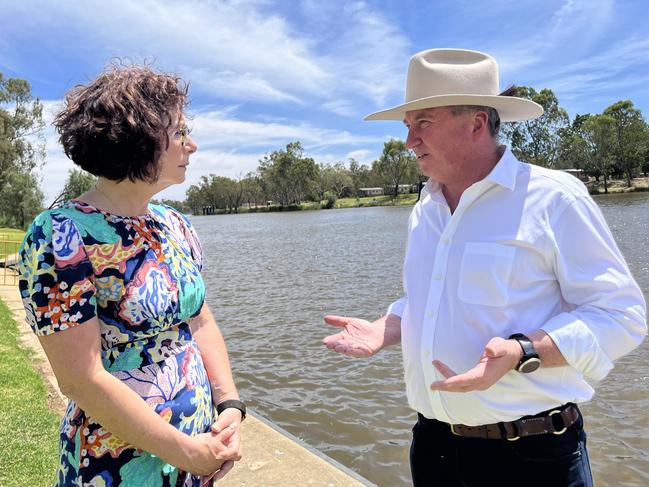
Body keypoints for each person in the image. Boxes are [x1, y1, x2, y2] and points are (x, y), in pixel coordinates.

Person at [323, 48, 646, 487]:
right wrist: (391, 325)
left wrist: (523, 352)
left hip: (531, 458)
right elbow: (430, 297)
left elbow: (621, 316)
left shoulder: (554, 198)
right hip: (433, 447)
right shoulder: (426, 207)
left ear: (476, 122)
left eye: (423, 123)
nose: (409, 141)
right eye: (408, 126)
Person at [18, 64, 246, 486]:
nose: (191, 145)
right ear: (136, 141)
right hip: (117, 466)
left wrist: (229, 403)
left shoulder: (176, 225)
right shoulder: (61, 236)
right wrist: (188, 452)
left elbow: (200, 320)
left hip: (197, 448)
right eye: (178, 132)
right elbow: (81, 380)